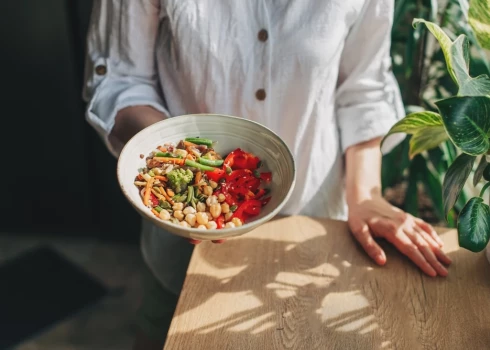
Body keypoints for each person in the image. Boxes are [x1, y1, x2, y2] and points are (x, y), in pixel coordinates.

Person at [83, 1, 452, 348]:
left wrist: (367, 196)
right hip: (182, 245)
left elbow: (363, 88)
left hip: (314, 226)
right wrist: (182, 165)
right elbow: (120, 78)